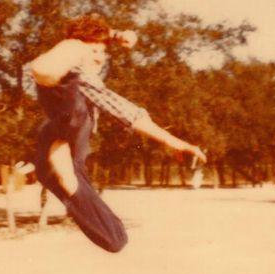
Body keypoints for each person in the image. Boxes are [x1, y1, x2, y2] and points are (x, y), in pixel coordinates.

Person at [29, 14, 206, 253]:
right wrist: (100, 39)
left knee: (115, 239)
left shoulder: (84, 84)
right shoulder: (75, 74)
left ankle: (63, 164)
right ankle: (60, 151)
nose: (99, 58)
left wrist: (112, 36)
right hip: (60, 126)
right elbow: (127, 112)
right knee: (65, 94)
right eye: (94, 51)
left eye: (102, 53)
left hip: (57, 151)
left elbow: (127, 112)